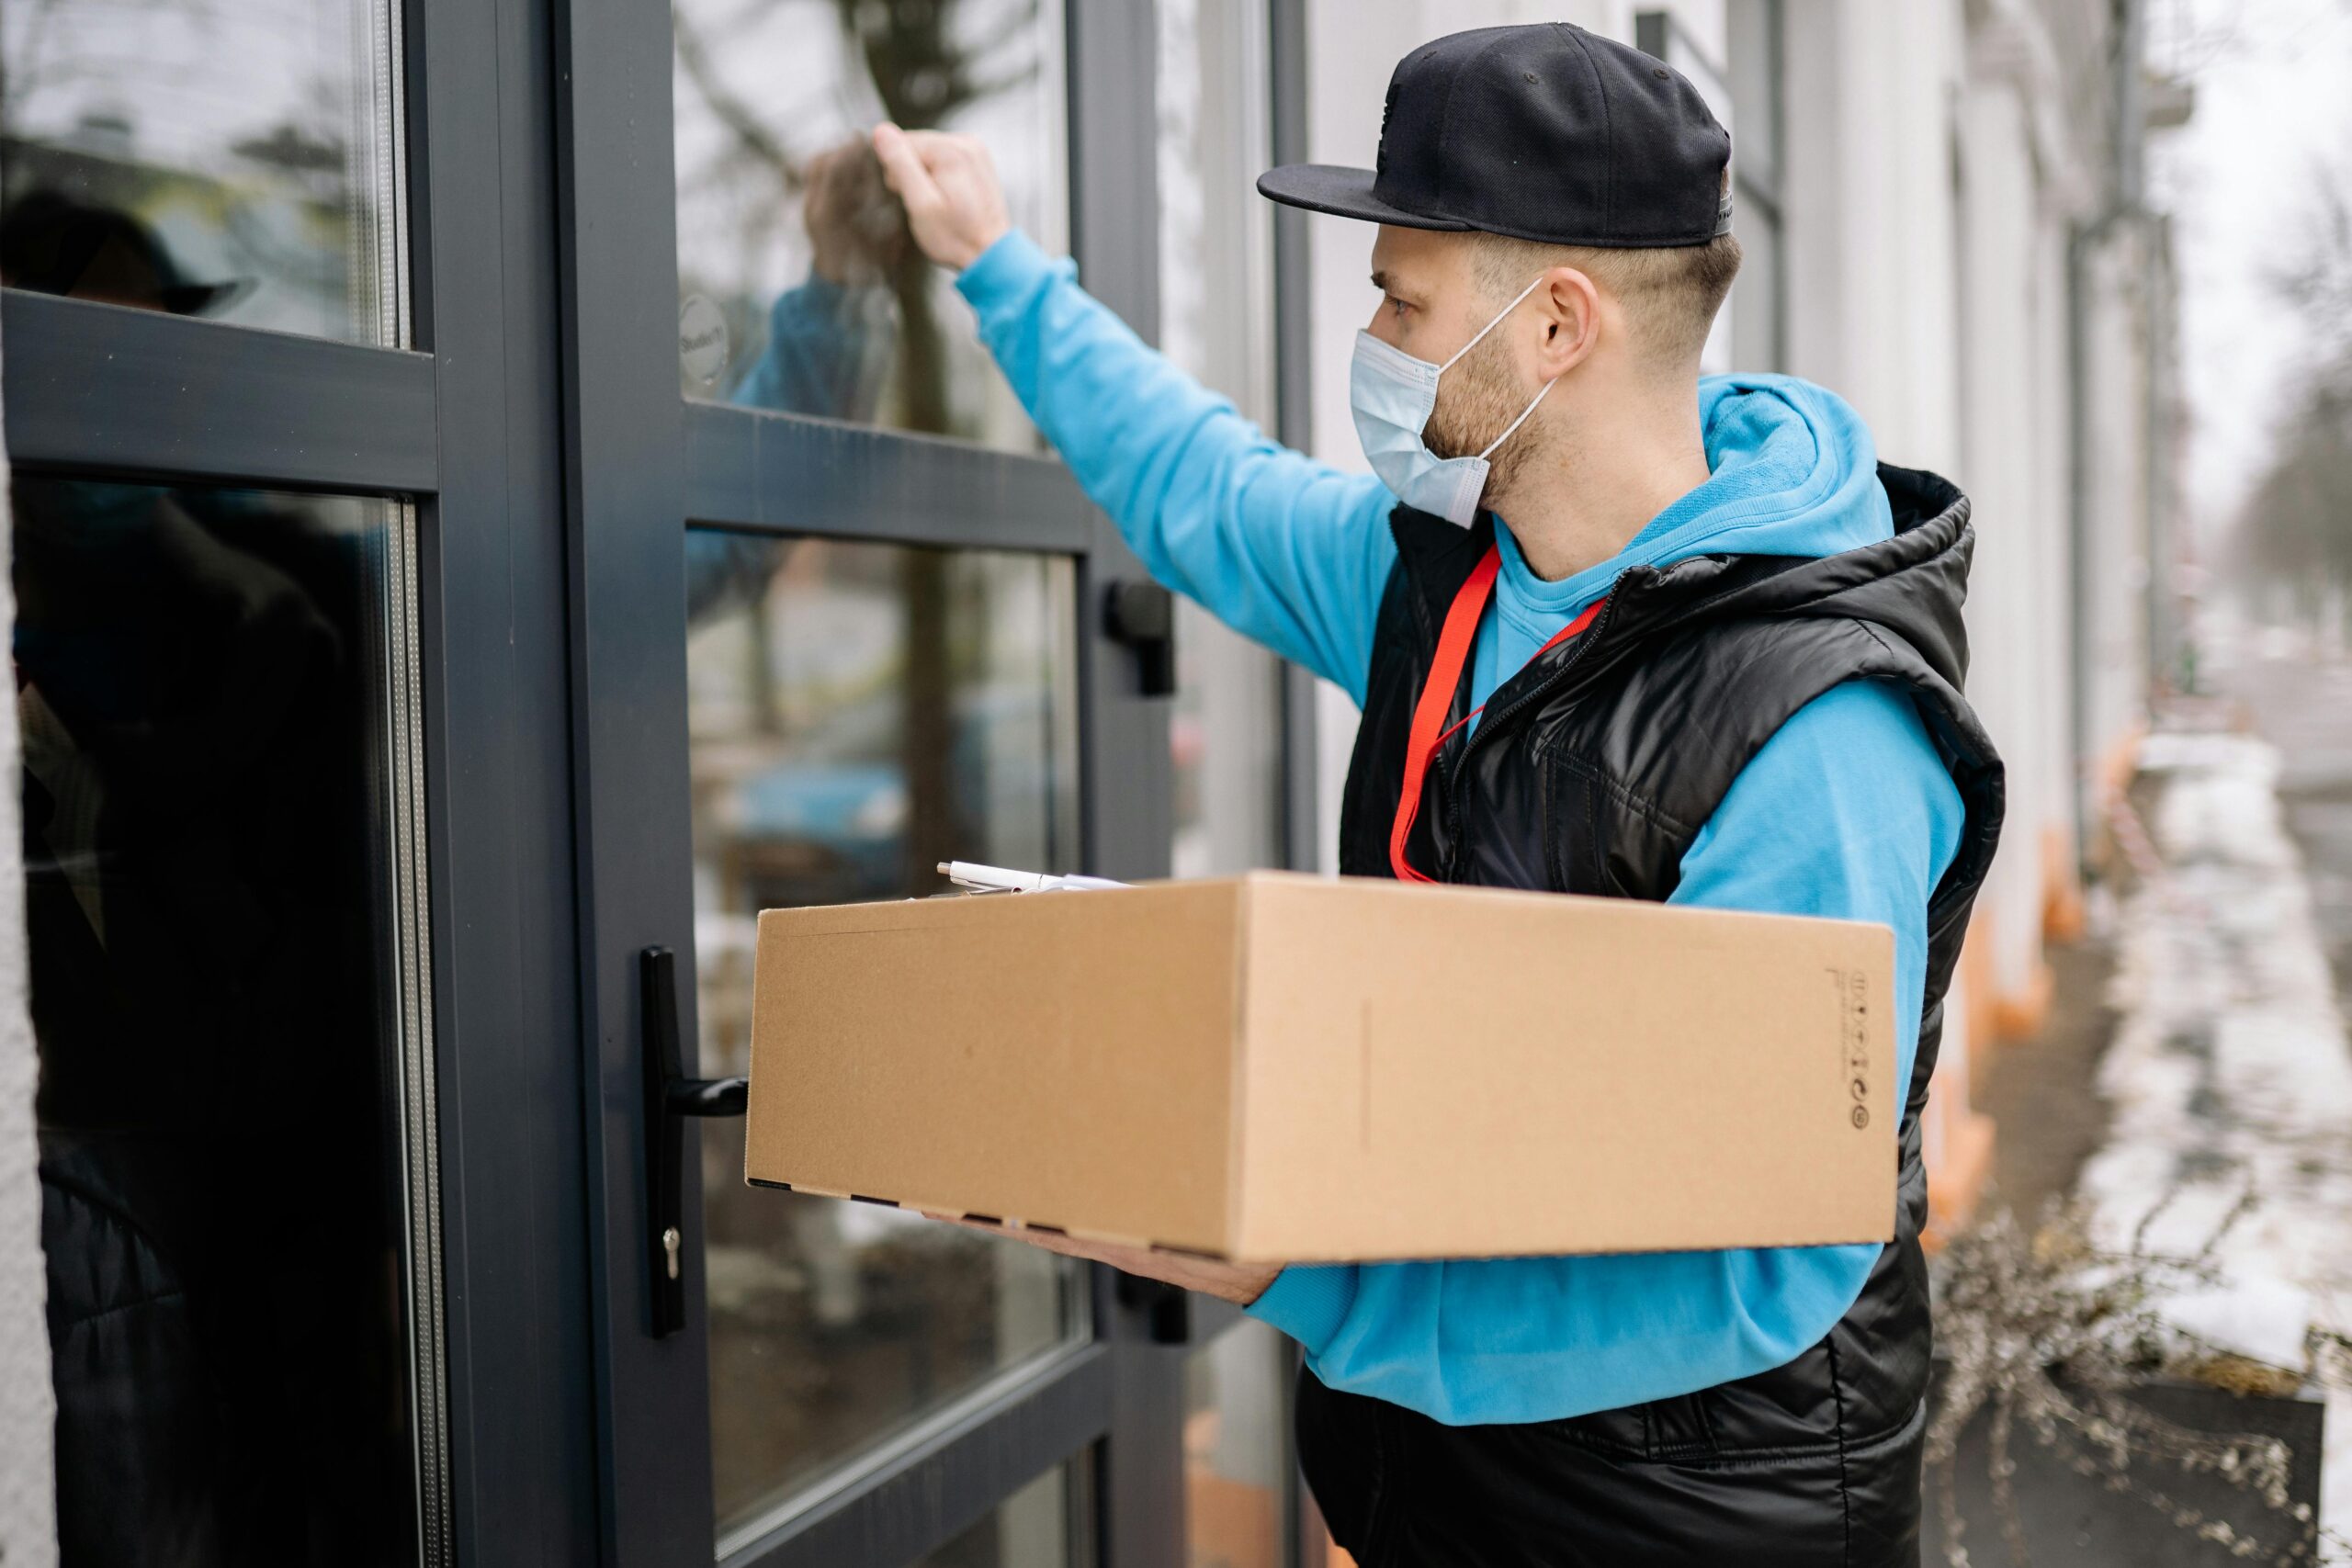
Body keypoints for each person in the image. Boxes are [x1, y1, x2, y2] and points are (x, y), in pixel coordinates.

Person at [875, 22, 2002, 1567]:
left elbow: (1758, 1257)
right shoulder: (1446, 581)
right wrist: (996, 264)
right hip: (1423, 1484)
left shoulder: (1820, 729)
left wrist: (1297, 1273)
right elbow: (1200, 486)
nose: (1379, 342)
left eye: (1403, 299)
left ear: (1555, 327)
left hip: (1676, 1522)